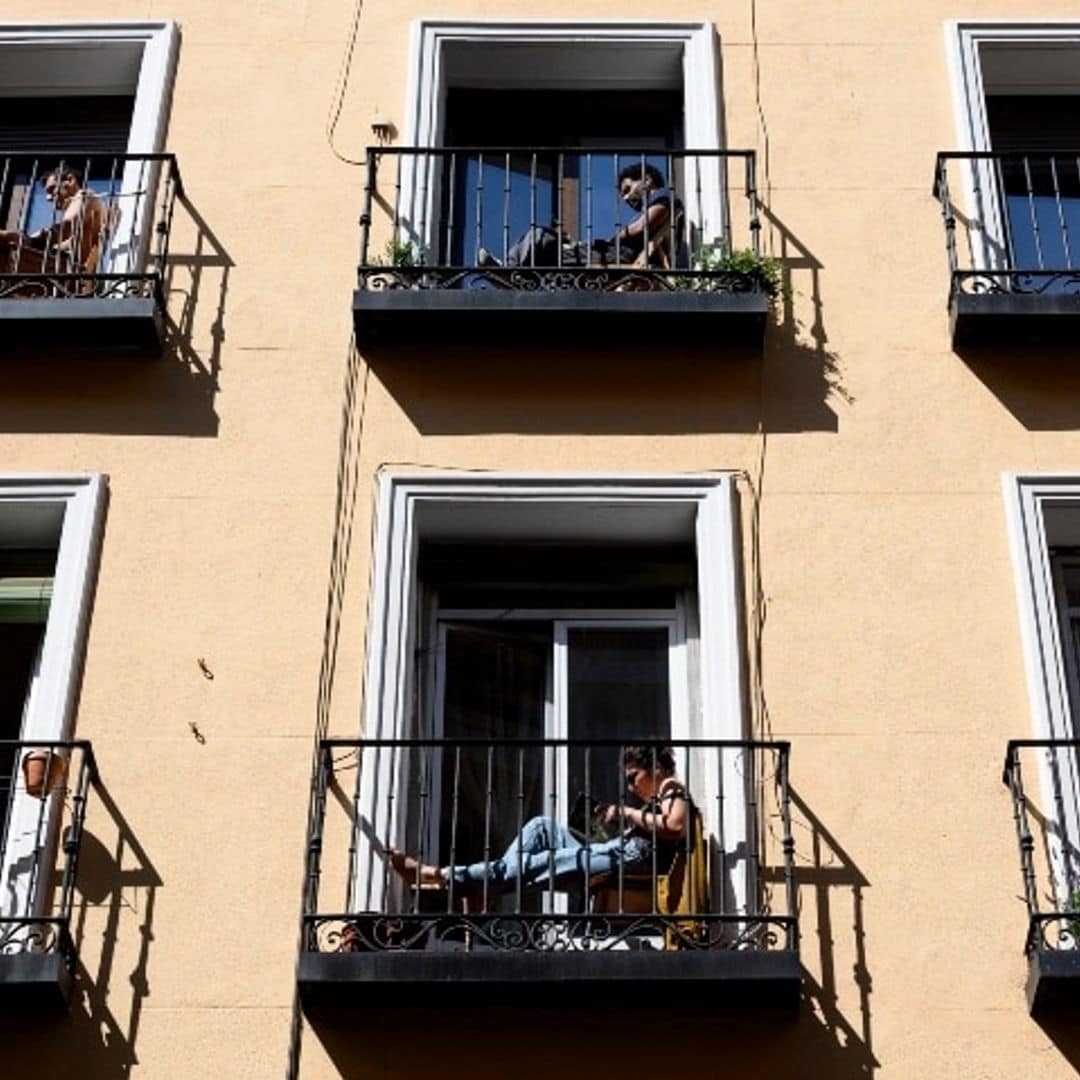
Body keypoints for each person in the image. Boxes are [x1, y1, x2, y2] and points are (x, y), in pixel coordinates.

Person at [388, 744, 689, 896]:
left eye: (633, 777)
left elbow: (674, 827)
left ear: (655, 767)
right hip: (620, 854)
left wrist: (628, 813)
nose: (630, 787)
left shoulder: (671, 787)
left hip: (629, 859)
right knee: (541, 827)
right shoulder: (657, 798)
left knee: (540, 861)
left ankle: (439, 875)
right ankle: (491, 883)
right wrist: (616, 824)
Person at [477, 162, 682, 270]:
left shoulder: (664, 195)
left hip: (617, 255)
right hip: (611, 253)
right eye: (624, 194)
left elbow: (641, 229)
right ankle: (510, 272)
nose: (627, 198)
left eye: (628, 189)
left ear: (646, 180)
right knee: (543, 240)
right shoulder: (653, 204)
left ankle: (509, 274)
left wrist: (611, 240)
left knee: (541, 238)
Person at [0, 166, 105, 277]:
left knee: (7, 238)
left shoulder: (85, 195)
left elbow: (68, 226)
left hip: (68, 270)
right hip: (61, 267)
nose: (48, 198)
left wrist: (35, 239)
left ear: (70, 180)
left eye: (52, 189)